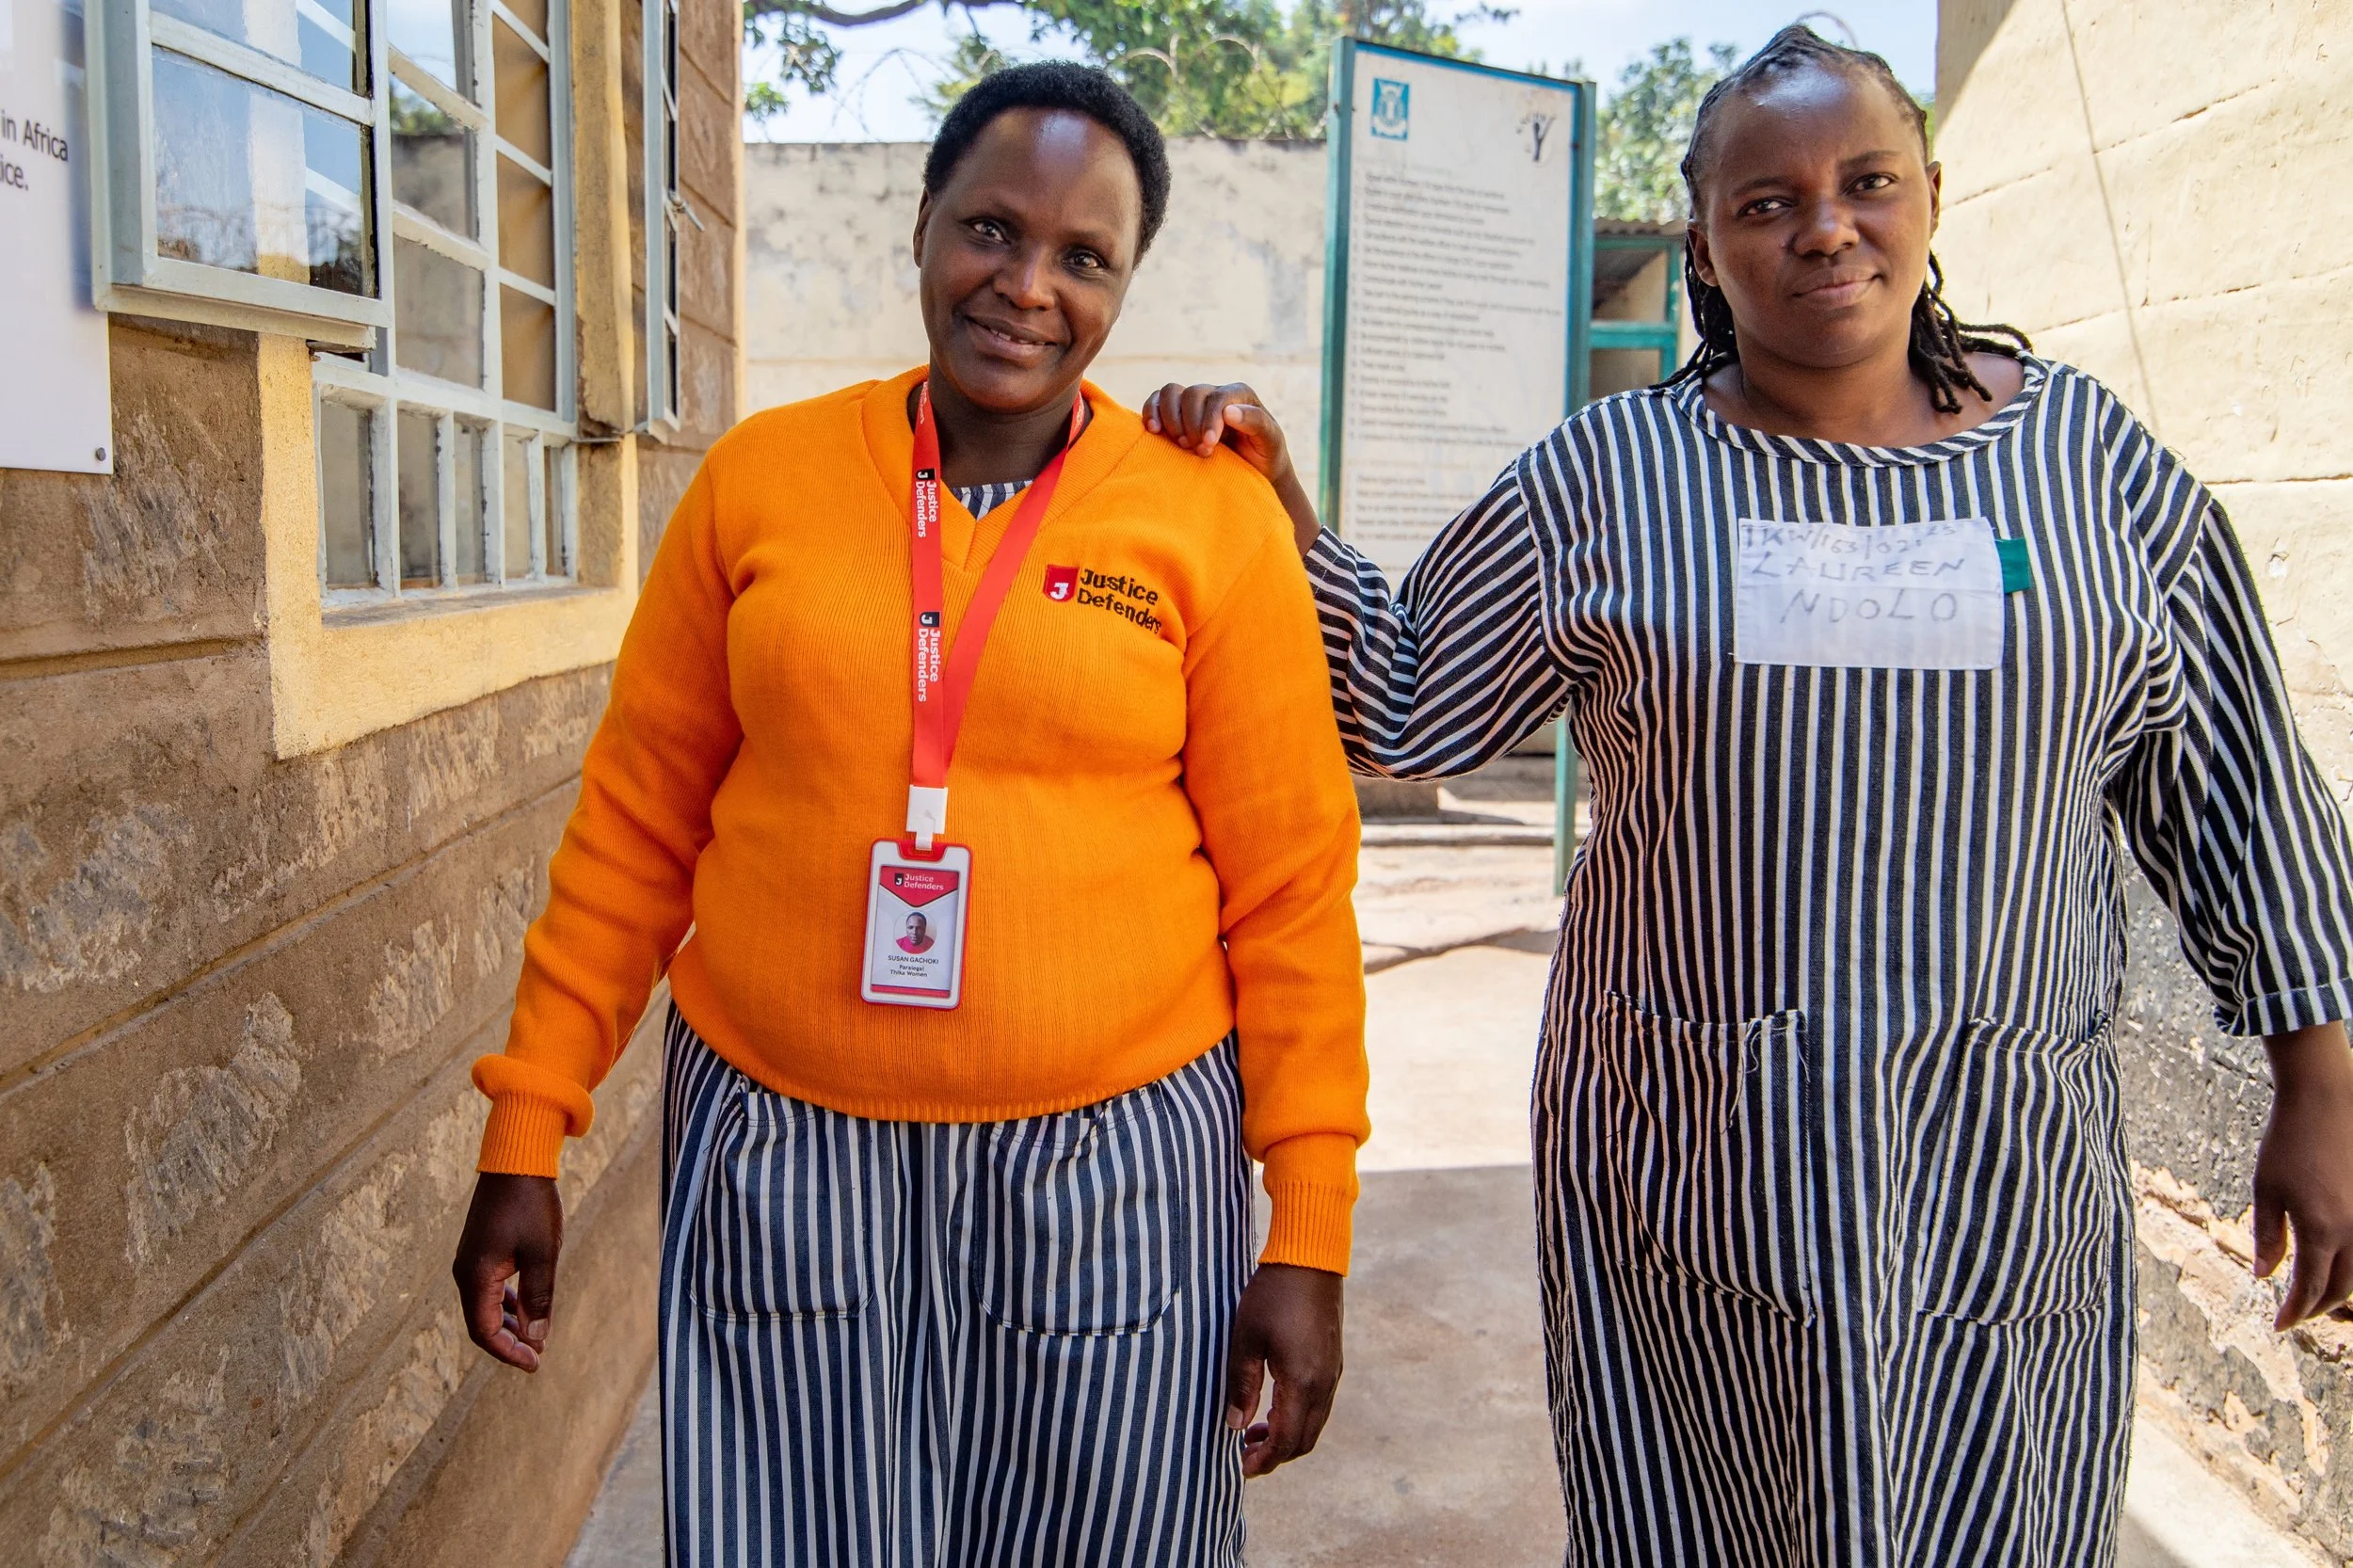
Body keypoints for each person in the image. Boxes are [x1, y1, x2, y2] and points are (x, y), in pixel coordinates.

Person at [1144, 25, 2353, 1566]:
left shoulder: (2091, 469)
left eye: (1865, 183)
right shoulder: (1612, 479)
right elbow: (1406, 694)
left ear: (1931, 199)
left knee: (1995, 1520)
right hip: (1683, 1159)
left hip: (1992, 1167)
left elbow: (2234, 771)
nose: (1823, 225)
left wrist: (2322, 1075)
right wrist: (1269, 499)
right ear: (1707, 245)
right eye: (1765, 202)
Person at [452, 63, 1369, 1568]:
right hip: (782, 1155)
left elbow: (1289, 890)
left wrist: (1309, 1222)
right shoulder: (764, 483)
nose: (1026, 287)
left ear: (1125, 287)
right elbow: (634, 827)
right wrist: (529, 1121)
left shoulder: (1203, 521)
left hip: (1114, 1172)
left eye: (1085, 258)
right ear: (924, 227)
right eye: (990, 230)